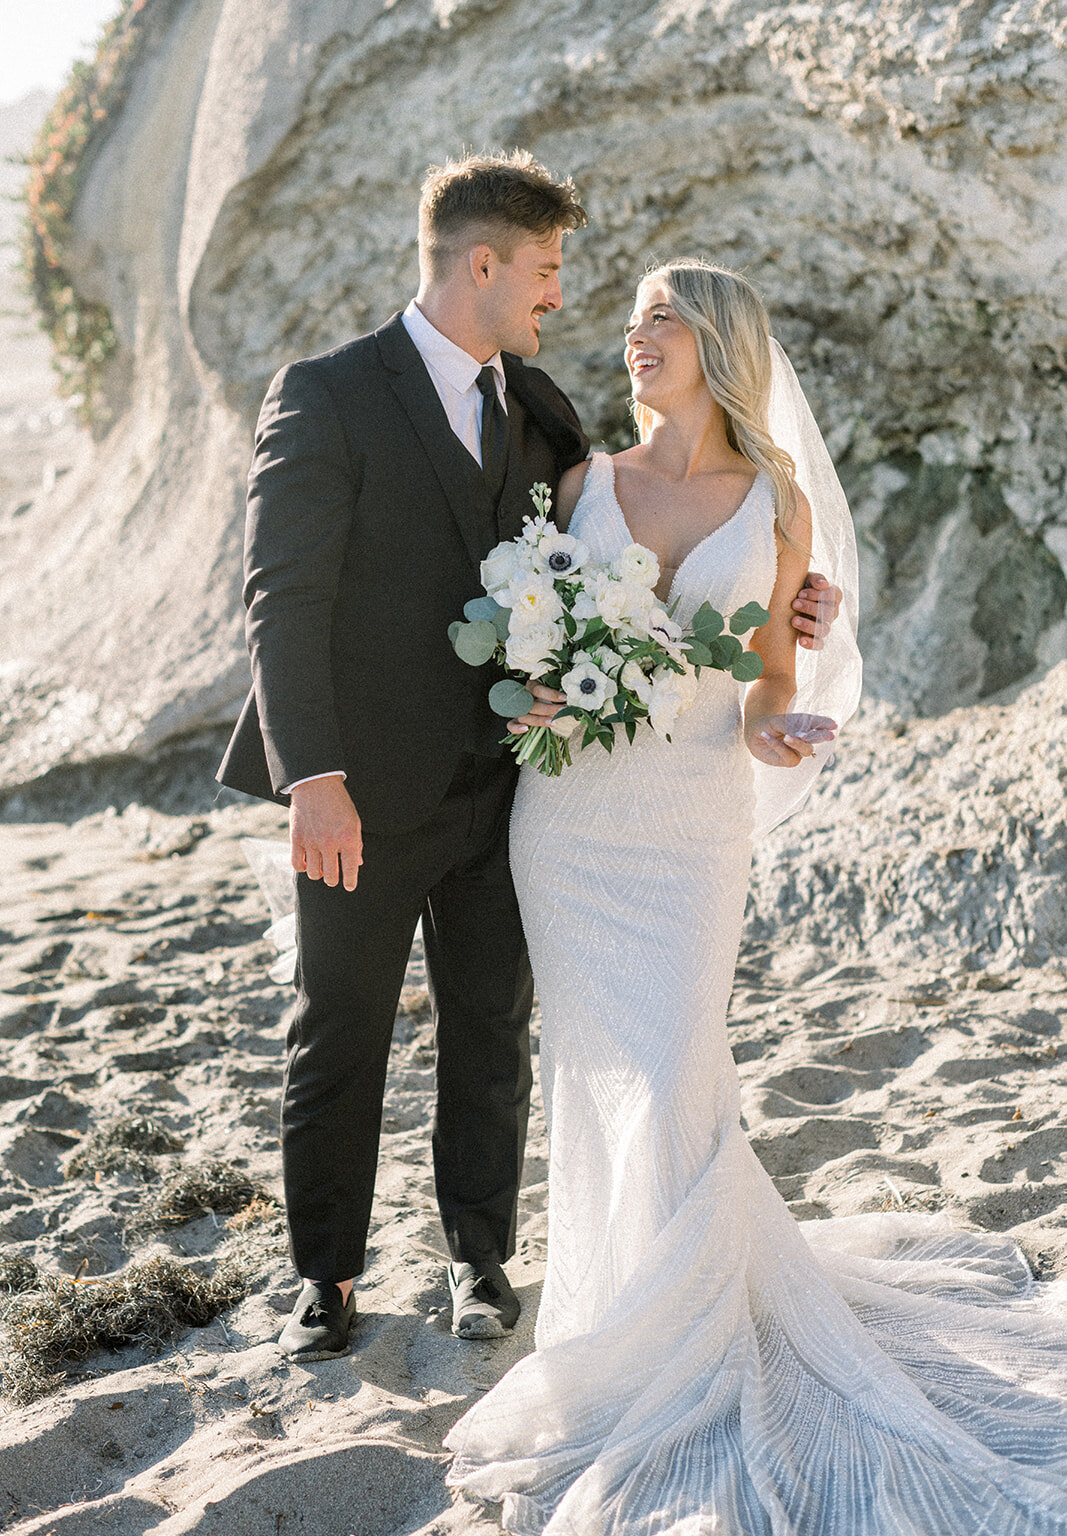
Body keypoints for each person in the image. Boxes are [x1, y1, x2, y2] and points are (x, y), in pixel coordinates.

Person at [445, 262, 1067, 1536]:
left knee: (677, 1067)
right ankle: (614, 1315)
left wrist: (778, 727)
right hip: (567, 820)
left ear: (716, 340)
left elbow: (762, 686)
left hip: (686, 824)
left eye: (658, 321)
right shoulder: (584, 488)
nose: (633, 341)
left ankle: (684, 1334)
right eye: (625, 327)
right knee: (598, 1075)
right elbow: (532, 653)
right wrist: (536, 693)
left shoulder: (776, 502)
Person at [218, 157, 840, 1363]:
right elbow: (279, 597)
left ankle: (476, 1260)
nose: (565, 298)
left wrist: (788, 597)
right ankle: (326, 1278)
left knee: (489, 1028)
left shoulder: (542, 410)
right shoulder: (327, 393)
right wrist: (311, 776)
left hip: (517, 784)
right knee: (338, 1023)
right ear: (482, 262)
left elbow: (629, 557)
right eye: (548, 271)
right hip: (355, 792)